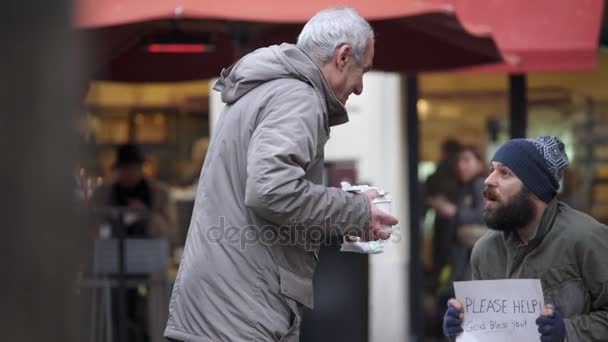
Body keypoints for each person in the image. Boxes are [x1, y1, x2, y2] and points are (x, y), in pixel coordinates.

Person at [164, 7, 398, 342]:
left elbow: (267, 186)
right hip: (241, 313)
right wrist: (355, 211)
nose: (360, 88)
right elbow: (271, 190)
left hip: (223, 306)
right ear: (343, 56)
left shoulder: (267, 90)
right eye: (364, 70)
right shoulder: (298, 97)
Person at [442, 136, 608, 341]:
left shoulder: (586, 238)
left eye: (504, 173)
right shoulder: (485, 250)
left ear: (535, 189)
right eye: (492, 169)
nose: (489, 180)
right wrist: (463, 328)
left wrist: (567, 331)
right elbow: (490, 332)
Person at [93, 143, 176, 342]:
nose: (128, 174)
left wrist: (146, 215)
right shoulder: (103, 194)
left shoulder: (159, 194)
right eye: (124, 169)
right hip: (111, 270)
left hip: (149, 271)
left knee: (148, 323)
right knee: (112, 322)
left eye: (132, 169)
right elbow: (91, 228)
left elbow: (170, 233)